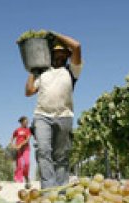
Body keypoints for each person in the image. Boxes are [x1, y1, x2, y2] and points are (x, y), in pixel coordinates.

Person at [25, 32, 82, 189]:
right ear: (51, 55)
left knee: (61, 156)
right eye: (56, 52)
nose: (60, 55)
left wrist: (54, 35)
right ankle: (48, 190)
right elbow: (29, 91)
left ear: (67, 55)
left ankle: (61, 189)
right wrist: (32, 69)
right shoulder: (43, 73)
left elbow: (77, 46)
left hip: (64, 116)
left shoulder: (72, 72)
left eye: (63, 53)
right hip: (42, 116)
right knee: (43, 151)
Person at [11, 116, 32, 187]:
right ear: (22, 122)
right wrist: (12, 145)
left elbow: (27, 139)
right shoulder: (17, 130)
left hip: (26, 148)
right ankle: (18, 179)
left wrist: (20, 145)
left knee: (27, 163)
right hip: (18, 149)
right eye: (25, 121)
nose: (27, 122)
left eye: (27, 121)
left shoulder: (28, 130)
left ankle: (26, 176)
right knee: (19, 164)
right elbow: (12, 137)